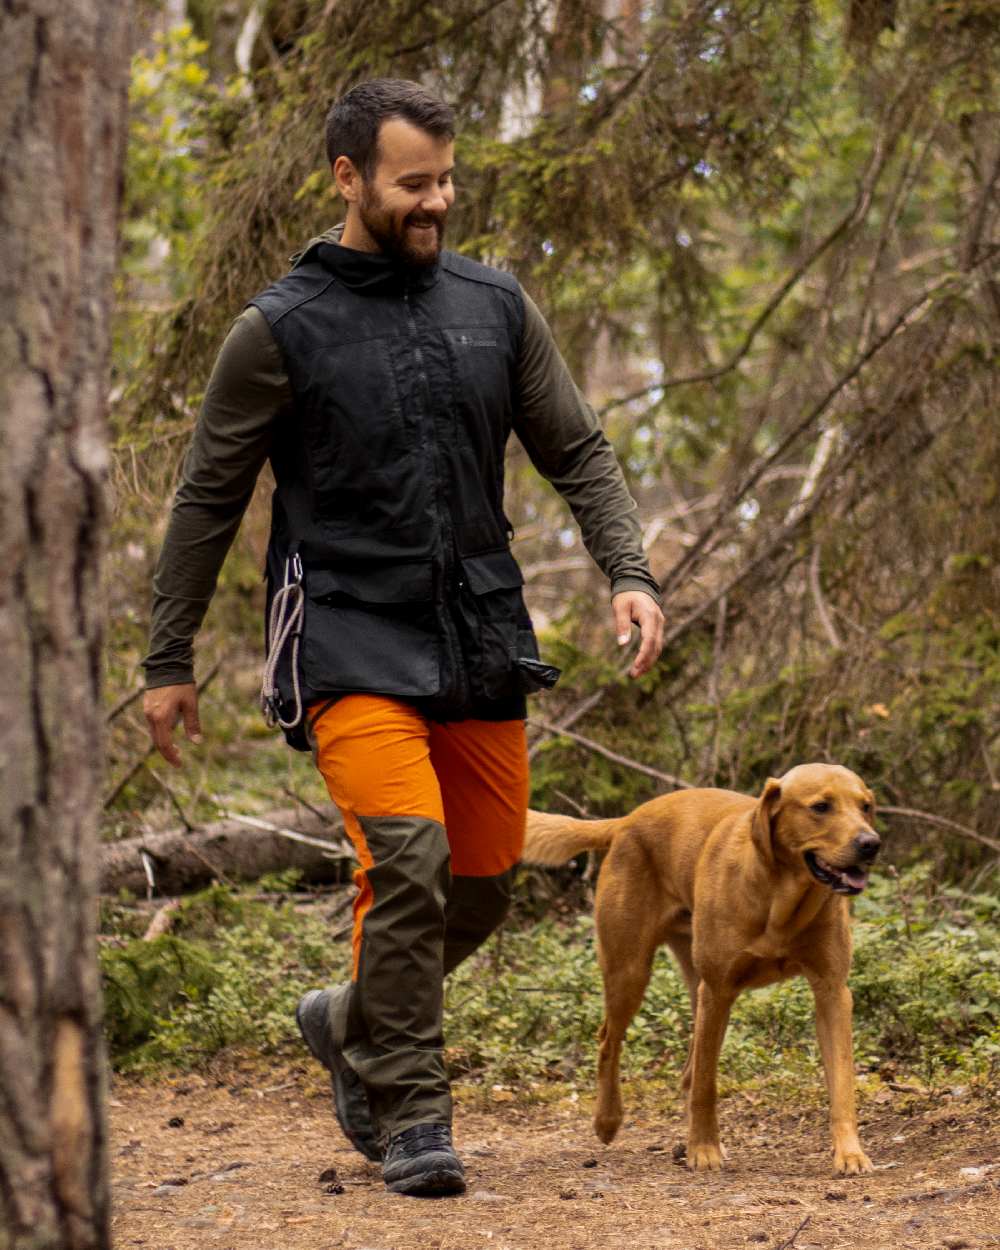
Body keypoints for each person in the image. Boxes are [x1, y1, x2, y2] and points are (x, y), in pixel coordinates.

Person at [143, 78, 664, 1198]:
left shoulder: (494, 304)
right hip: (344, 634)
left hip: (477, 631)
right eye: (411, 183)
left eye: (446, 179)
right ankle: (415, 1113)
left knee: (478, 886)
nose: (436, 201)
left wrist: (628, 571)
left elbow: (577, 449)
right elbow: (206, 499)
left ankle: (348, 1019)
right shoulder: (277, 330)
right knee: (412, 862)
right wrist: (168, 657)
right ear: (347, 177)